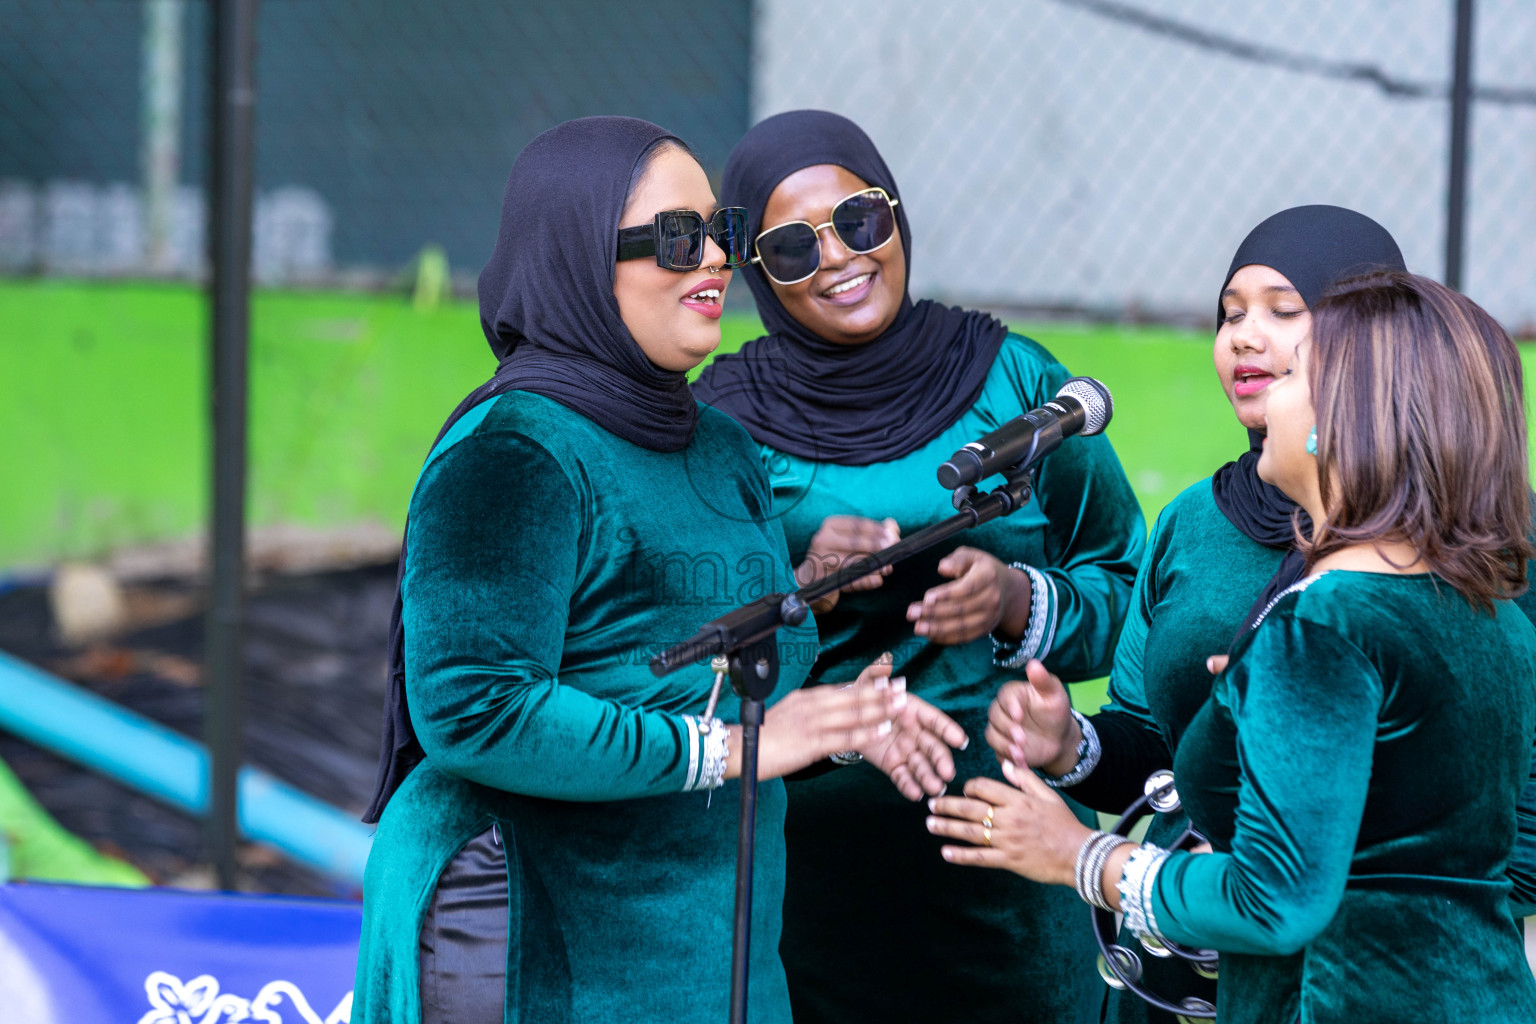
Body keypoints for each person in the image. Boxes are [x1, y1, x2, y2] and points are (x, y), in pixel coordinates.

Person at [352, 117, 965, 1024]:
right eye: (681, 239)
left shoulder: (715, 446)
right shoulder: (514, 452)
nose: (717, 261)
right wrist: (738, 749)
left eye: (721, 232)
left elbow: (684, 660)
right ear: (578, 257)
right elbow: (477, 709)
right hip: (530, 946)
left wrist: (837, 718)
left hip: (710, 951)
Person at [930, 271, 1536, 1022]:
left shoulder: (1326, 626)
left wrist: (1079, 856)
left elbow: (1274, 901)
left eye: (1296, 375)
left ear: (1337, 426)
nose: (1269, 389)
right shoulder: (1487, 611)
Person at [693, 109, 1145, 1023]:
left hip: (1014, 870)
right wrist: (805, 588)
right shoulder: (720, 423)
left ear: (896, 215)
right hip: (811, 882)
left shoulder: (1016, 384)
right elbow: (679, 642)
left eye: (859, 220)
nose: (838, 258)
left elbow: (1133, 592)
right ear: (753, 273)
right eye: (790, 247)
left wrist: (1018, 601)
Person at [956, 205, 1408, 1022]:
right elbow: (1159, 754)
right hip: (1175, 976)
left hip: (1350, 980)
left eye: (1283, 310)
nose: (1244, 336)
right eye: (1230, 314)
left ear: (1366, 335)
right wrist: (1070, 745)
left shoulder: (1440, 547)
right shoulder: (1192, 524)